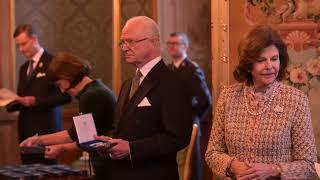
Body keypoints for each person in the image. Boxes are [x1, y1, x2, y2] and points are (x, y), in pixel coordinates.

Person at [205, 25, 317, 179]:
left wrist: (273, 170)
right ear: (248, 64)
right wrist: (233, 165)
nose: (269, 66)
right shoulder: (228, 97)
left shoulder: (296, 100)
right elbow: (212, 153)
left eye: (274, 59)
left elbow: (308, 164)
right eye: (261, 60)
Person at [94, 16, 193, 180]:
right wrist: (109, 141)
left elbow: (178, 137)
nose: (124, 48)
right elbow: (123, 127)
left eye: (131, 42)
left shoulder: (173, 82)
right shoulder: (128, 84)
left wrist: (132, 149)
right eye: (122, 43)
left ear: (153, 42)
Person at [20, 52, 117, 179]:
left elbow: (77, 136)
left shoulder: (91, 95)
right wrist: (45, 142)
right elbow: (81, 135)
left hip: (108, 165)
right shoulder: (95, 90)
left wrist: (42, 141)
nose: (61, 90)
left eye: (59, 84)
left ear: (66, 77)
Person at [6, 24, 71, 164]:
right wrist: (10, 102)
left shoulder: (53, 62)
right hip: (26, 131)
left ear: (34, 39)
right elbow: (22, 97)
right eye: (18, 45)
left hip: (47, 130)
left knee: (47, 173)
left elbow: (65, 96)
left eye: (23, 44)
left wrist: (36, 101)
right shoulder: (23, 68)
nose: (21, 49)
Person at [166, 32, 212, 180]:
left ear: (185, 47)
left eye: (175, 44)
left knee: (187, 170)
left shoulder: (192, 69)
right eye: (169, 44)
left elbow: (205, 100)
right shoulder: (168, 69)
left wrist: (193, 119)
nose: (172, 47)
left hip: (188, 127)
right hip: (169, 128)